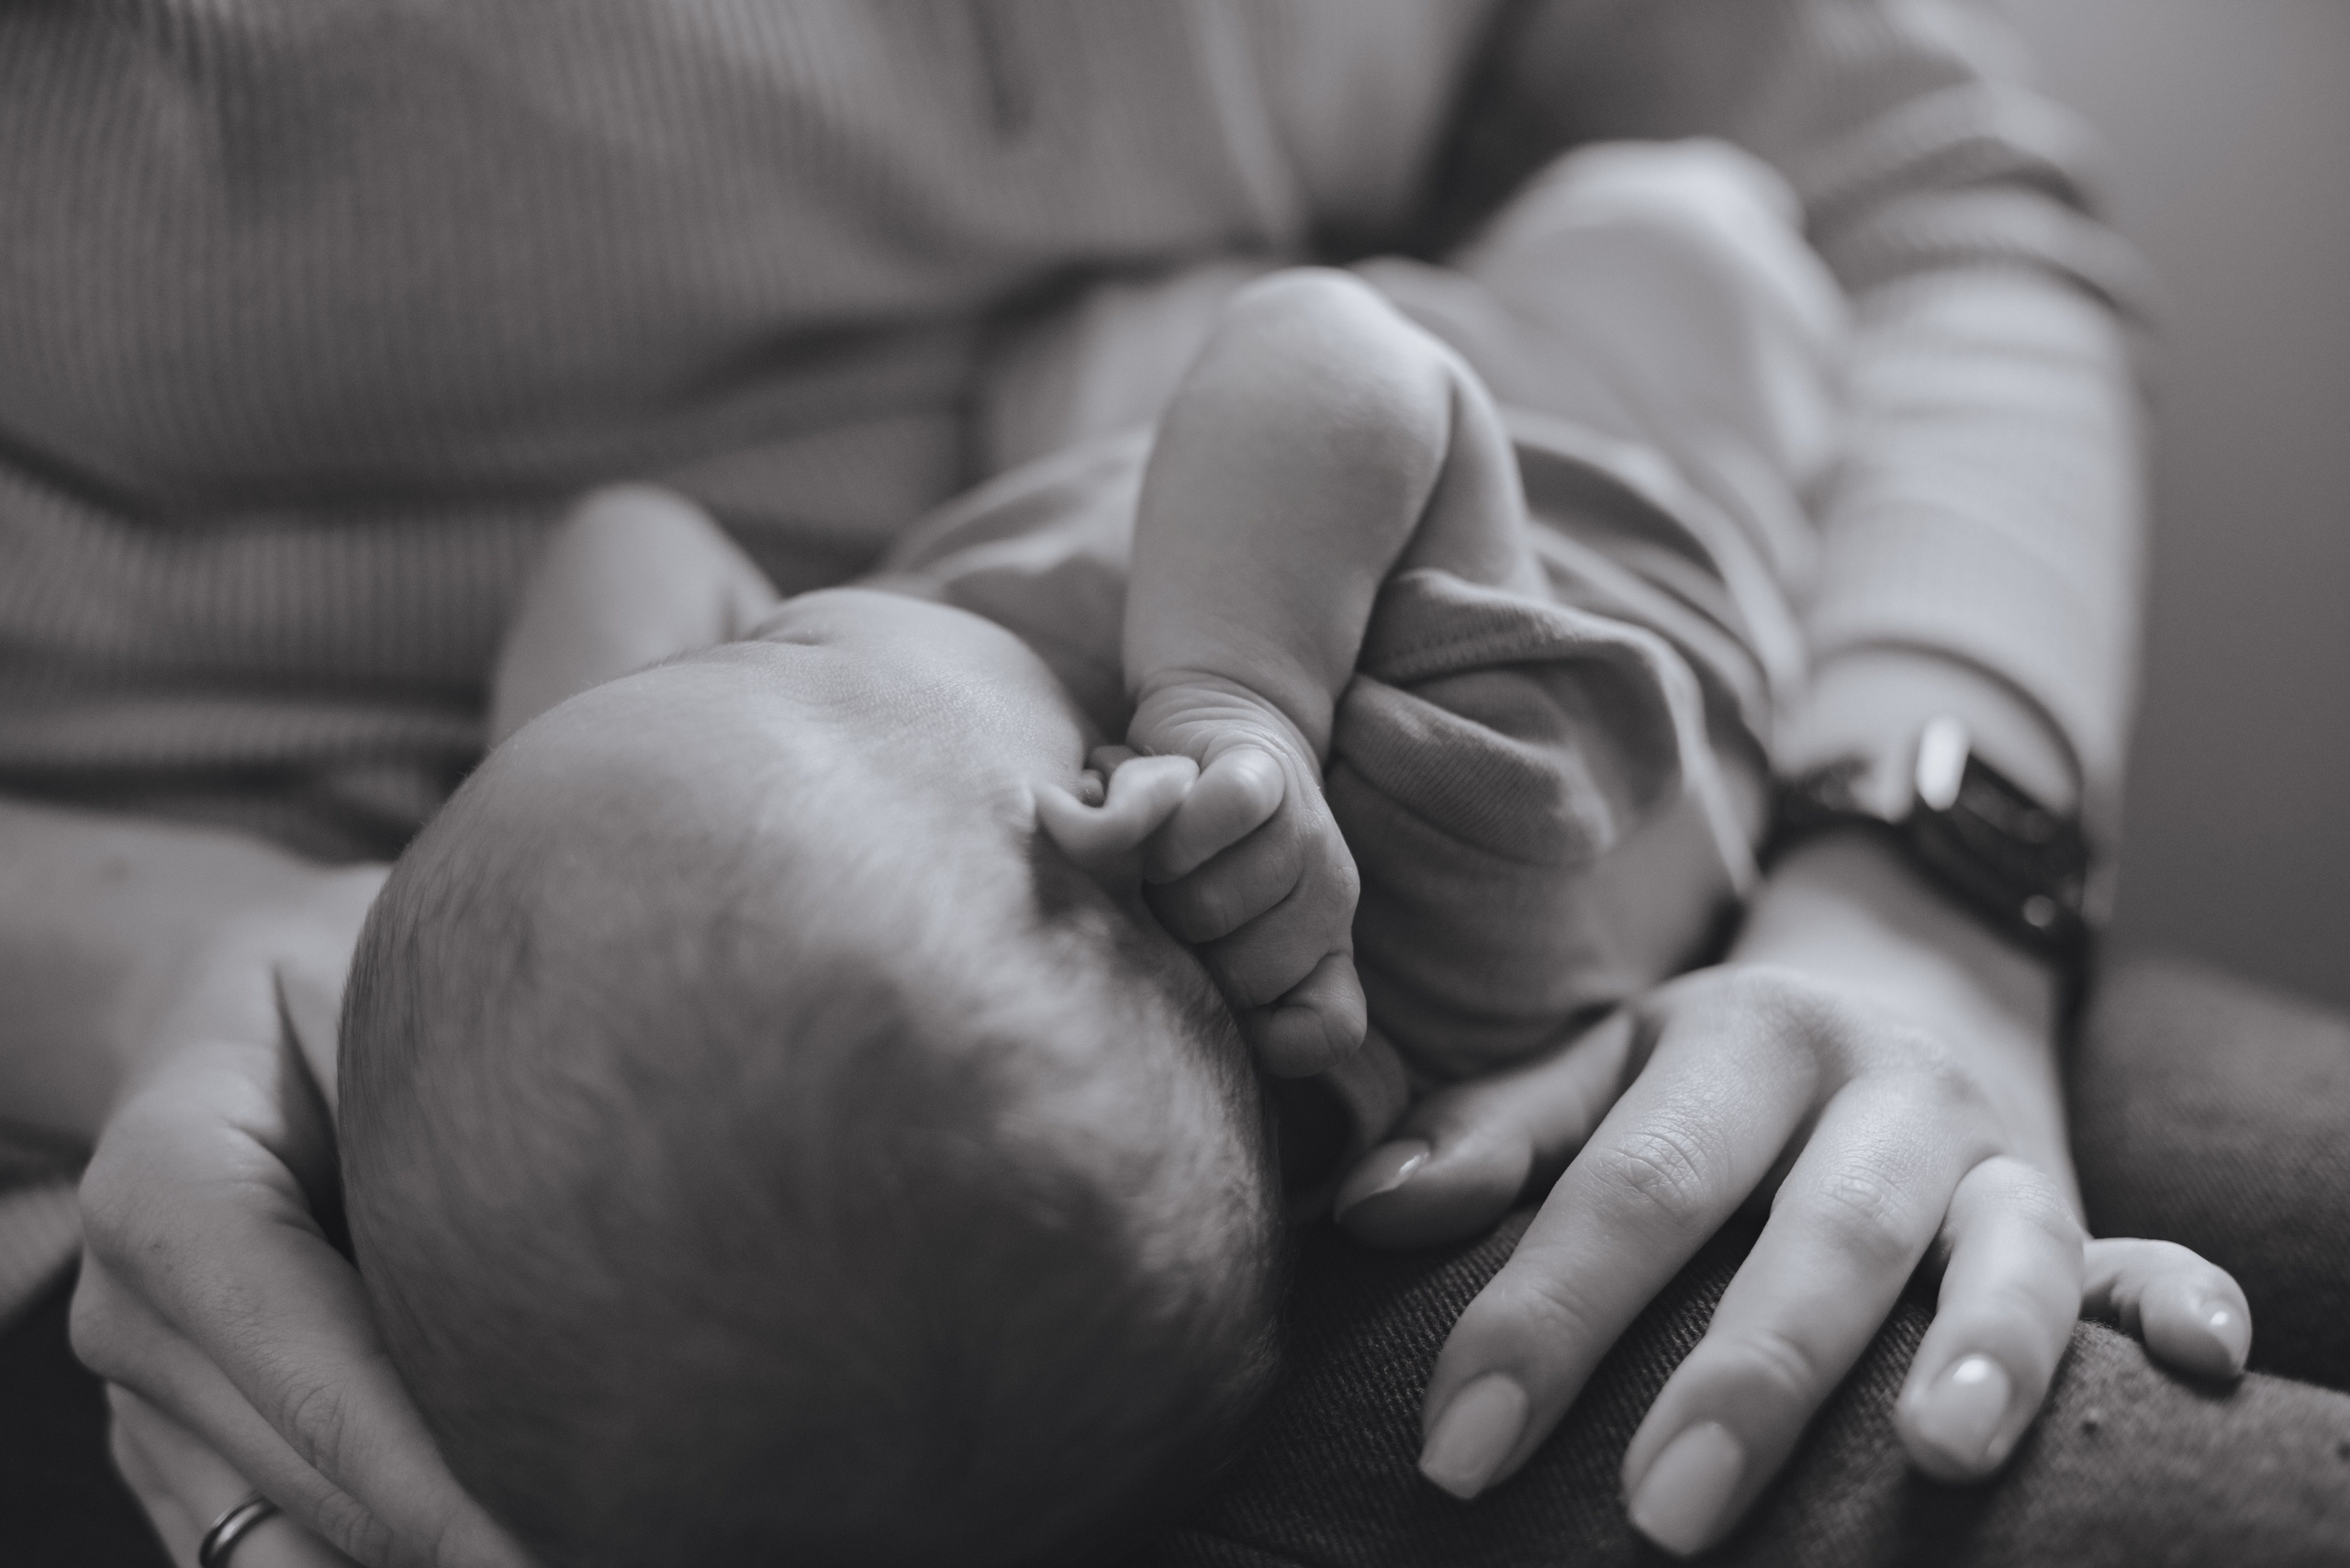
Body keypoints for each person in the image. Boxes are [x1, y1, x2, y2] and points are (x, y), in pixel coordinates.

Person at [3, 4, 2343, 1565]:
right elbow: (1332, 353)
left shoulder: (961, 851)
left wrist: (1921, 901)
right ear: (1113, 809)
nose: (748, 604)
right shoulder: (1401, 806)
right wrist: (1233, 678)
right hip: (1604, 411)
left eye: (788, 635)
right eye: (797, 635)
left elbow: (634, 571)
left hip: (672, 1043)